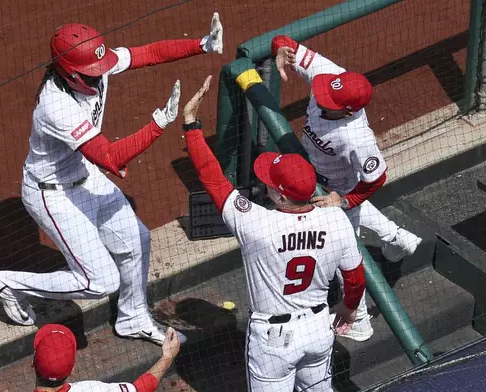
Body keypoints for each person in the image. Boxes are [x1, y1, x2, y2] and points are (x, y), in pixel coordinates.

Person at [0, 13, 224, 346]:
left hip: (85, 176)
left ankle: (133, 318)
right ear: (69, 71)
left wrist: (201, 44)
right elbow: (110, 157)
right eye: (90, 72)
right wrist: (158, 123)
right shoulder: (55, 107)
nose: (99, 75)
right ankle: (9, 284)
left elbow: (149, 54)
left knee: (137, 240)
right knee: (100, 282)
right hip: (53, 195)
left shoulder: (94, 64)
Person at [180, 75, 366, 391]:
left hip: (272, 341)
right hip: (319, 329)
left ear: (281, 196)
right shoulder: (336, 220)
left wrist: (191, 126)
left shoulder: (256, 224)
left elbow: (212, 178)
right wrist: (348, 309)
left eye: (271, 183)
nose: (266, 184)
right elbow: (355, 279)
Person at [271, 35, 422, 341]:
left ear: (350, 111)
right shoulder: (331, 76)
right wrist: (280, 54)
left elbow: (376, 178)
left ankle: (359, 322)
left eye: (331, 104)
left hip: (337, 189)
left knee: (345, 259)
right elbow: (283, 41)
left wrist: (343, 201)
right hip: (320, 178)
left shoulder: (357, 137)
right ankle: (400, 240)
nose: (322, 99)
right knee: (350, 246)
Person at [32, 323, 180, 392]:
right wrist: (167, 356)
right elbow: (141, 388)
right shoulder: (92, 389)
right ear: (72, 369)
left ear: (33, 363)